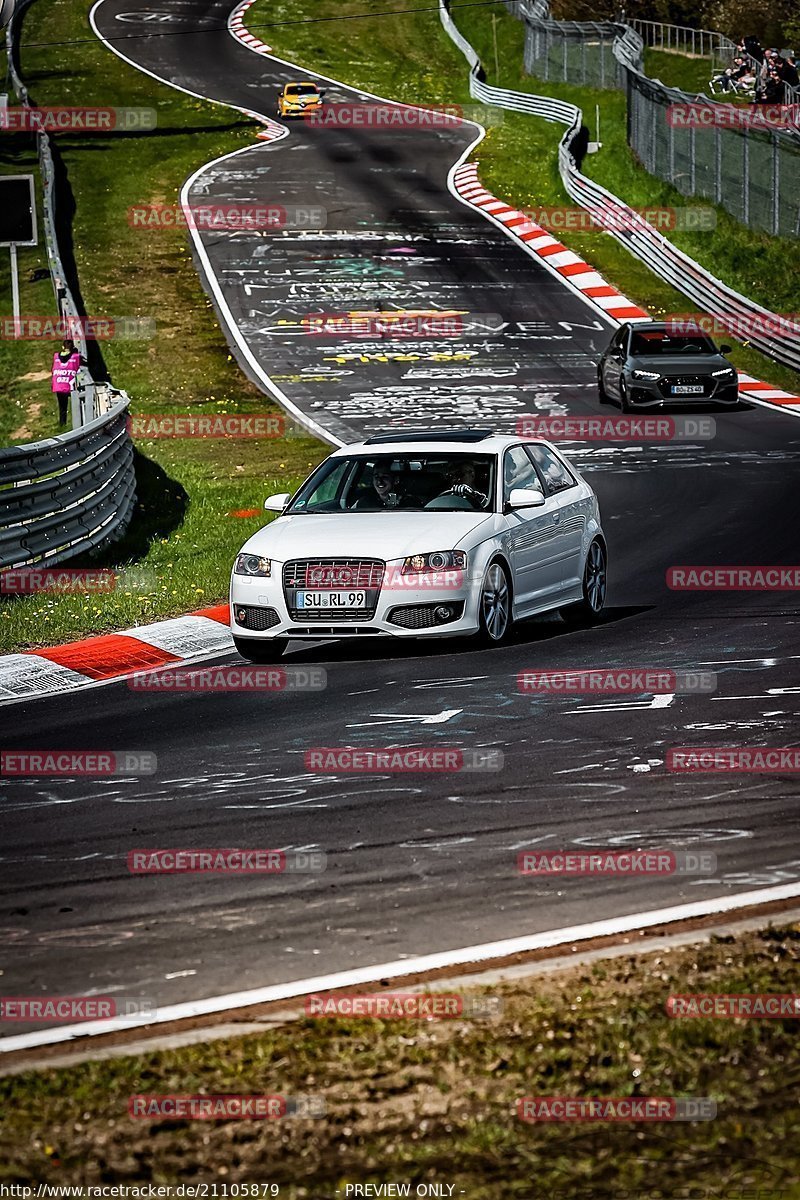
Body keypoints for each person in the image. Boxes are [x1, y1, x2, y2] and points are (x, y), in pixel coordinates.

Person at [50, 338, 84, 427]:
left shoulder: (56, 356)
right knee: (78, 405)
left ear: (62, 347)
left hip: (59, 385)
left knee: (62, 407)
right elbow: (83, 369)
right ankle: (79, 423)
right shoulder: (76, 357)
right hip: (71, 385)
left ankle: (62, 424)